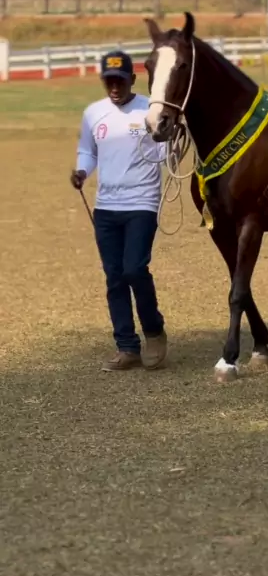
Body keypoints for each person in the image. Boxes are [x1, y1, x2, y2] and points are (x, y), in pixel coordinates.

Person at [70, 51, 168, 372]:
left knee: (134, 269)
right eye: (109, 81)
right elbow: (88, 151)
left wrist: (168, 137)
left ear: (133, 80)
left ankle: (154, 331)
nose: (114, 87)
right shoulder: (93, 113)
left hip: (142, 202)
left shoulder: (150, 110)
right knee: (114, 277)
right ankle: (127, 346)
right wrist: (82, 171)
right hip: (106, 208)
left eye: (120, 81)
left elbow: (166, 152)